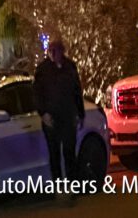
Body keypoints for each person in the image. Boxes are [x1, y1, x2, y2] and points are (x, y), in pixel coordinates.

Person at [33, 37, 85, 184]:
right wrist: (43, 113)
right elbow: (37, 94)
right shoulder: (43, 70)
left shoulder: (70, 67)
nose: (54, 55)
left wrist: (80, 114)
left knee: (69, 152)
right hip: (51, 118)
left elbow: (76, 91)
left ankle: (72, 184)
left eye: (57, 52)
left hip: (68, 116)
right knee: (54, 153)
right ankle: (58, 185)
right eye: (52, 52)